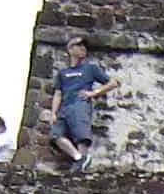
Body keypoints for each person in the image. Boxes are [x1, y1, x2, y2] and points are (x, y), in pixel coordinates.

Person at [44, 35, 118, 169]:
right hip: (65, 107)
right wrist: (53, 113)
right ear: (70, 50)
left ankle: (83, 164)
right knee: (55, 135)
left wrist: (93, 93)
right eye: (79, 45)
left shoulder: (90, 68)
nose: (83, 48)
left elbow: (112, 83)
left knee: (81, 134)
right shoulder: (63, 73)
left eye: (84, 46)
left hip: (80, 104)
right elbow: (58, 93)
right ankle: (79, 157)